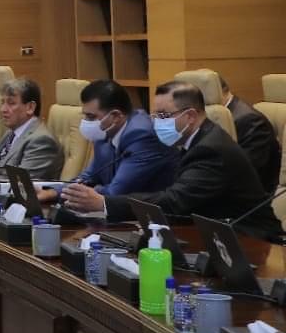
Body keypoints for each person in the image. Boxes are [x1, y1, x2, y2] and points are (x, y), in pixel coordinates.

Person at [61, 82, 281, 239]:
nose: (156, 122)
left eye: (164, 116)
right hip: (213, 232)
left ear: (190, 116)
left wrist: (105, 203)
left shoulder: (210, 149)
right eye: (155, 115)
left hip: (251, 238)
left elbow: (175, 201)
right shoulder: (192, 141)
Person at [39, 79, 178, 204]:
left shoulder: (142, 136)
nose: (86, 122)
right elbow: (88, 177)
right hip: (117, 212)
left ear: (116, 116)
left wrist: (89, 190)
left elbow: (116, 192)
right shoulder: (105, 133)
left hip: (153, 217)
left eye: (91, 117)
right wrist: (53, 193)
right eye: (85, 116)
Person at [0, 78, 62, 180]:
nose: (3, 109)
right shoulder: (10, 133)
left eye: (11, 103)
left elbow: (19, 182)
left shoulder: (41, 141)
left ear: (30, 107)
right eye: (2, 103)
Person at [221, 75, 281, 193]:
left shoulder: (249, 120)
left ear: (218, 91)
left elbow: (246, 172)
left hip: (253, 195)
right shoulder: (221, 116)